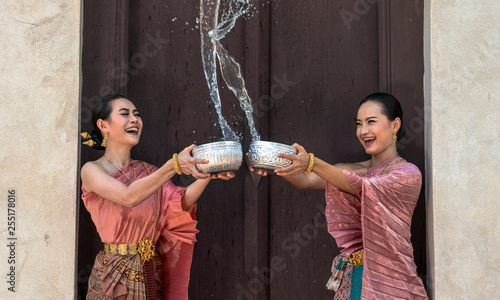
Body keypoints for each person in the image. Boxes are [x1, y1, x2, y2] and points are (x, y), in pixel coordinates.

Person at [251, 93, 428, 299]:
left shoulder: (407, 174)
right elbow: (306, 180)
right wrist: (272, 163)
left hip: (391, 283)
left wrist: (312, 162)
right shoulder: (352, 170)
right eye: (359, 124)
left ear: (395, 125)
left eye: (371, 122)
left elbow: (362, 187)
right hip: (354, 279)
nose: (363, 131)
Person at [80, 94, 234, 300]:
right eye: (125, 114)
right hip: (113, 277)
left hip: (148, 273)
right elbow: (128, 197)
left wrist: (208, 174)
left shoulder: (149, 172)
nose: (134, 119)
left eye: (137, 114)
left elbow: (179, 204)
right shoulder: (92, 170)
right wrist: (174, 165)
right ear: (103, 125)